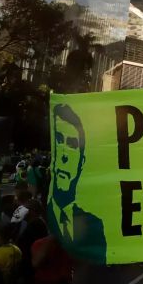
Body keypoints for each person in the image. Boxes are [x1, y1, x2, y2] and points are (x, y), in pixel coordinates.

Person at [47, 103, 106, 264]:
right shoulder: (41, 219)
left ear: (82, 162)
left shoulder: (96, 226)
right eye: (59, 140)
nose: (64, 155)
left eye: (72, 144)